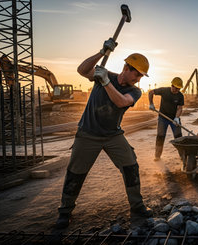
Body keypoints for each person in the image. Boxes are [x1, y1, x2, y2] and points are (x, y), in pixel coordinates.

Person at [55, 38, 152, 229]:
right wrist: (102, 52)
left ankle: (137, 206)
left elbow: (121, 102)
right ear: (127, 67)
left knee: (131, 166)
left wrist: (106, 82)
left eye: (141, 76)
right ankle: (65, 212)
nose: (138, 78)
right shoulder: (104, 74)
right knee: (75, 173)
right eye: (137, 74)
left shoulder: (134, 91)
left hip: (112, 135)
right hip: (88, 133)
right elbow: (82, 70)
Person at [148, 77, 184, 161]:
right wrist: (151, 104)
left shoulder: (180, 96)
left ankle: (183, 156)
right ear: (172, 85)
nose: (177, 90)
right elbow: (151, 92)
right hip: (162, 118)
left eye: (179, 88)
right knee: (160, 136)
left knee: (179, 137)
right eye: (176, 88)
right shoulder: (164, 91)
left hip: (174, 119)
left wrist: (177, 118)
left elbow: (179, 108)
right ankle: (157, 156)